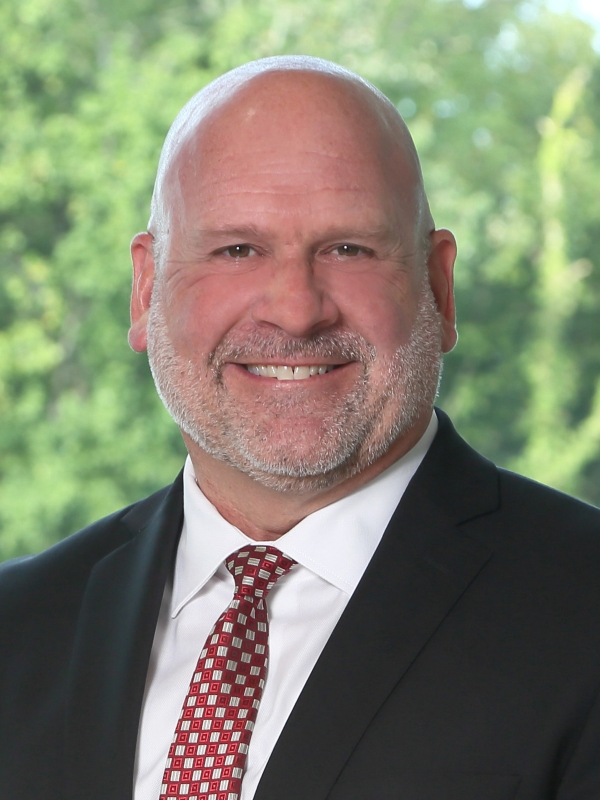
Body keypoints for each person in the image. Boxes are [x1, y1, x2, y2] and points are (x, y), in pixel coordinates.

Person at [1, 55, 599, 800]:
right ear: (145, 289)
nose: (295, 310)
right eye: (237, 250)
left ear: (438, 287)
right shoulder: (16, 627)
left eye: (348, 249)